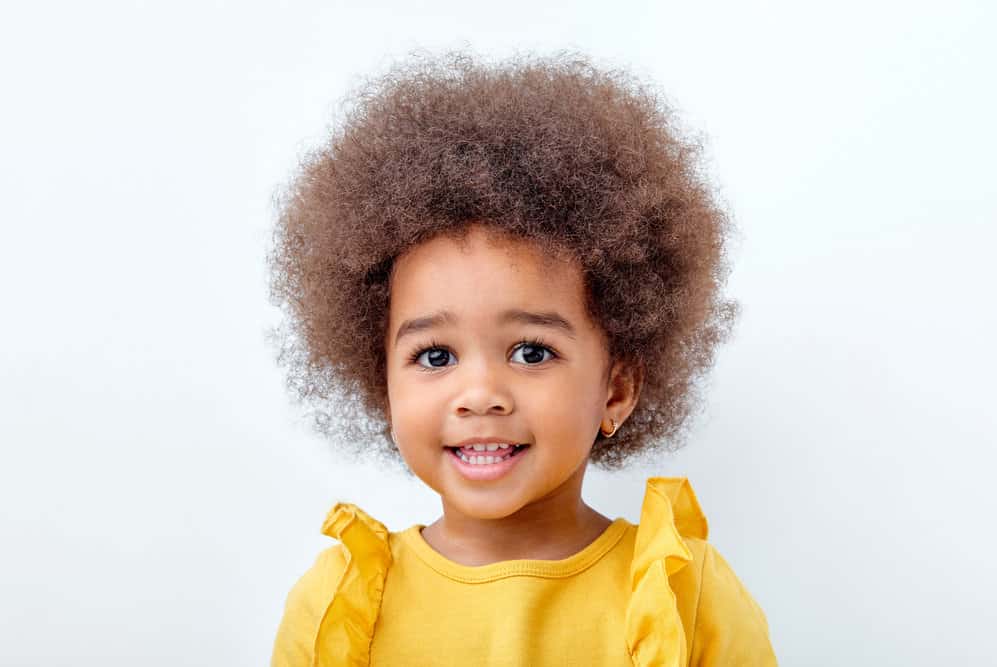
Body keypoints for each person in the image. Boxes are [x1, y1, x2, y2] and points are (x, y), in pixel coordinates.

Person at [267, 50, 777, 666]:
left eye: (531, 352)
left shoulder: (680, 594)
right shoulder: (342, 604)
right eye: (434, 356)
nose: (480, 393)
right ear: (384, 382)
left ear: (615, 388)